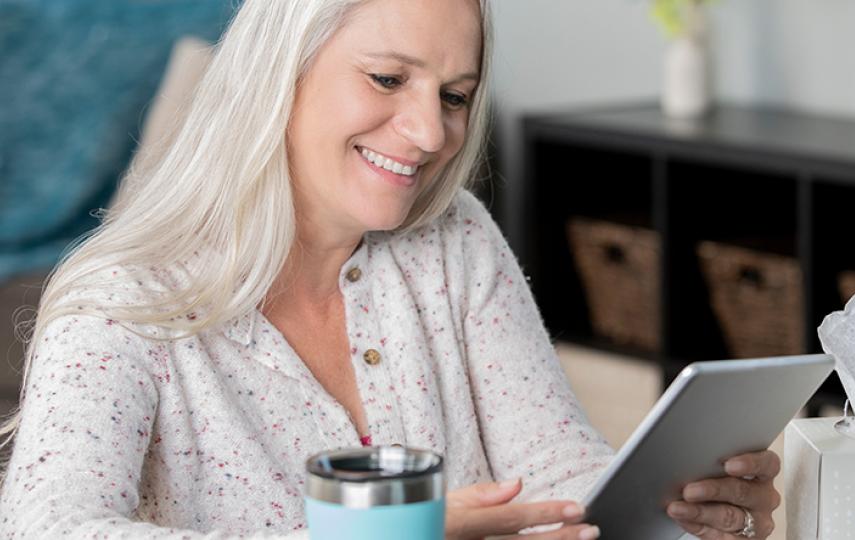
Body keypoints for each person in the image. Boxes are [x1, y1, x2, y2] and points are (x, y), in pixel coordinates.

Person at [0, 1, 781, 538]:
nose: (427, 132)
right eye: (386, 79)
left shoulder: (453, 241)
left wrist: (670, 508)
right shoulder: (120, 306)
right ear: (283, 68)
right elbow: (46, 527)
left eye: (455, 95)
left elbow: (554, 467)